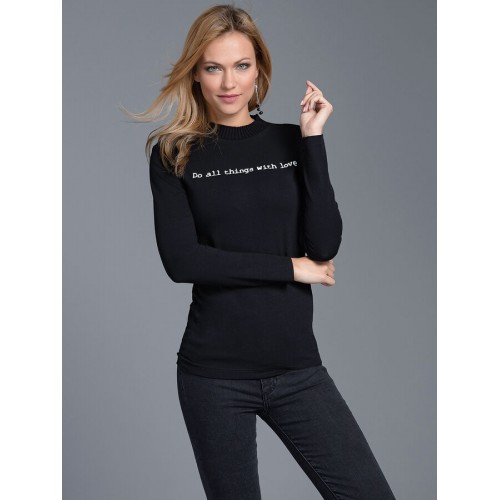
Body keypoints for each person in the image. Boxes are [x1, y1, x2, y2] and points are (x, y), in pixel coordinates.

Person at [127, 4, 396, 499]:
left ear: (259, 70)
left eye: (241, 66)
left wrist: (312, 140)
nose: (229, 82)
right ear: (196, 73)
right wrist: (290, 269)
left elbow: (324, 245)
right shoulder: (173, 153)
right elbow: (182, 261)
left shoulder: (292, 143)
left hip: (297, 369)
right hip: (213, 376)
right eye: (214, 67)